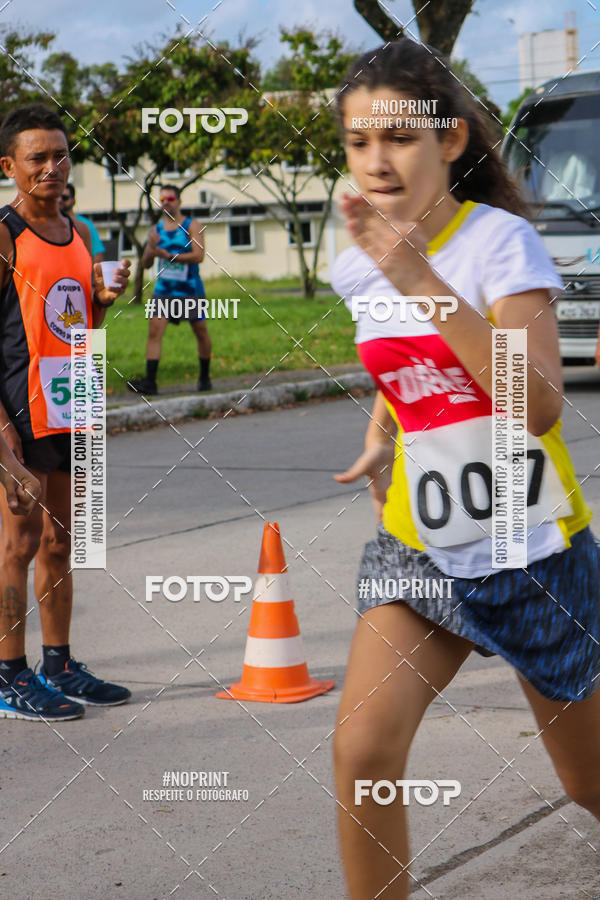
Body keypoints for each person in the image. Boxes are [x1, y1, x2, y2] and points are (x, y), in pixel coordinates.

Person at [330, 40, 600, 899]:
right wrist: (384, 432)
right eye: (359, 142)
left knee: (589, 785)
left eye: (399, 139)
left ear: (449, 142)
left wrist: (414, 271)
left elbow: (539, 403)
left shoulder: (500, 243)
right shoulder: (353, 260)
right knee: (363, 749)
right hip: (420, 540)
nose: (377, 161)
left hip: (534, 550)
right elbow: (406, 367)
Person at [0, 103, 132, 721]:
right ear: (10, 166)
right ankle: (8, 675)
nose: (51, 166)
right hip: (18, 413)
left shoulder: (77, 233)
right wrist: (3, 440)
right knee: (18, 544)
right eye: (37, 158)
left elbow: (81, 329)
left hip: (72, 399)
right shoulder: (5, 233)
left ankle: (60, 666)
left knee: (61, 541)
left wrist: (104, 301)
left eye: (60, 154)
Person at [127, 184, 211, 395]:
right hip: (164, 290)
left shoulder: (192, 225)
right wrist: (152, 250)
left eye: (170, 199)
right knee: (155, 331)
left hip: (190, 289)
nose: (166, 203)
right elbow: (146, 263)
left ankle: (204, 377)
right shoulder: (156, 230)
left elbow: (199, 256)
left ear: (179, 201)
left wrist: (169, 256)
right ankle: (150, 382)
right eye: (162, 200)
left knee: (200, 331)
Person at [59, 182, 105, 263]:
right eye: (57, 197)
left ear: (73, 200)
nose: (60, 200)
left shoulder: (85, 224)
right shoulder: (49, 223)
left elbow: (98, 255)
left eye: (64, 197)